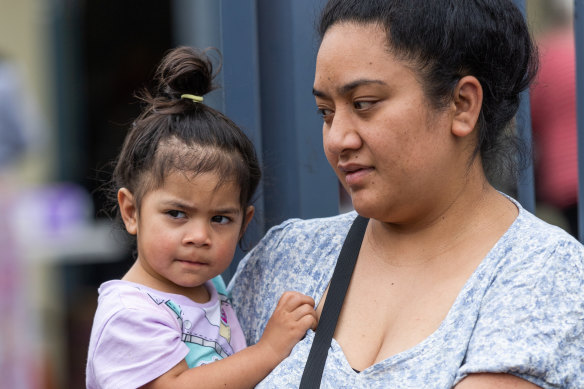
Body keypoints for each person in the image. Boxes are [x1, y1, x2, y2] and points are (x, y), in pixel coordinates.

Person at [229, 0, 584, 388]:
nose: (337, 139)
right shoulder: (287, 259)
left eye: (364, 104)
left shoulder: (543, 275)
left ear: (461, 104)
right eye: (326, 112)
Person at [85, 46, 317, 389]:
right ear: (132, 212)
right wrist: (269, 350)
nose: (199, 236)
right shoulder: (130, 315)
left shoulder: (209, 287)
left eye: (220, 219)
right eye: (177, 214)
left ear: (245, 222)